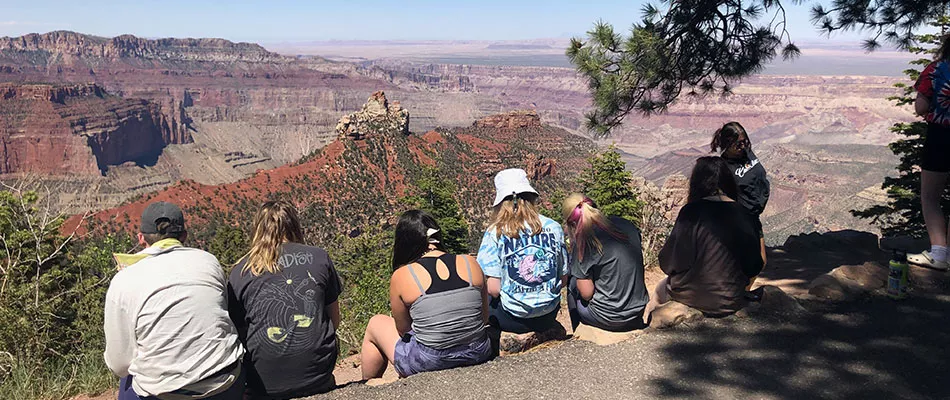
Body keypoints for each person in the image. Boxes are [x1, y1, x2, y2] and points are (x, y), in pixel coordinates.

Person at [105, 201, 245, 400]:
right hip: (225, 383)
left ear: (141, 238)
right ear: (184, 236)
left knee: (127, 381)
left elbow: (119, 365)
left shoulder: (124, 279)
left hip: (165, 393)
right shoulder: (209, 261)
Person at [227, 201, 342, 399]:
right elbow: (335, 320)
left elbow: (238, 333)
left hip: (264, 385)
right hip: (317, 377)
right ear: (294, 225)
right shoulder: (319, 257)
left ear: (258, 229)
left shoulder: (239, 272)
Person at [360, 210, 492, 379]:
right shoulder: (470, 262)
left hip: (431, 360)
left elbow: (403, 330)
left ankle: (369, 386)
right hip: (478, 351)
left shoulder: (402, 275)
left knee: (375, 323)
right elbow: (484, 317)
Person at [650, 157, 765, 317]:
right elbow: (755, 265)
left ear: (697, 182)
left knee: (657, 292)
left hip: (691, 298)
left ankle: (646, 330)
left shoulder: (691, 212)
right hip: (733, 299)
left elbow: (669, 263)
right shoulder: (746, 214)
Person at [476, 168, 568, 336]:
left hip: (512, 319)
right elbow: (563, 278)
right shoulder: (554, 227)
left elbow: (494, 289)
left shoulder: (494, 232)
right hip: (548, 315)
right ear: (532, 197)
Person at [561, 193, 649, 332]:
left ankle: (578, 331)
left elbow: (587, 294)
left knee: (573, 283)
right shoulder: (626, 224)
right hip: (637, 311)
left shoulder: (584, 240)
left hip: (609, 318)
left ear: (572, 223)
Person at [908, 36, 950, 271]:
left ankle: (940, 254)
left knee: (930, 197)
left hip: (940, 137)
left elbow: (921, 107)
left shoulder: (935, 70)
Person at [712, 121, 770, 278]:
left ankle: (744, 293)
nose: (743, 146)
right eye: (738, 143)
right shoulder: (723, 167)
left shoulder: (747, 153)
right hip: (740, 221)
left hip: (753, 216)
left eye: (745, 141)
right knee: (745, 264)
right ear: (727, 144)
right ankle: (739, 295)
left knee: (761, 262)